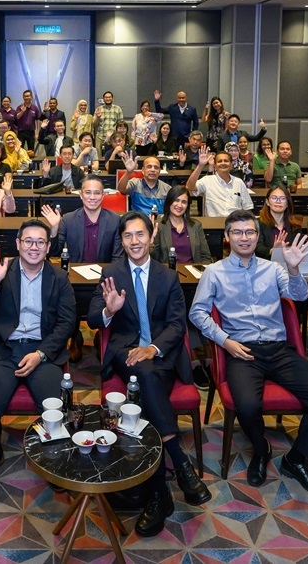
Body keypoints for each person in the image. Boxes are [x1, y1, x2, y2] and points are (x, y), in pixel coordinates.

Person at [190, 211, 308, 498]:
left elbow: (297, 297)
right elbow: (197, 313)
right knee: (245, 405)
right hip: (242, 350)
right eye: (237, 232)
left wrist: (294, 270)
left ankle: (295, 460)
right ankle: (261, 449)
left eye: (250, 232)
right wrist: (225, 341)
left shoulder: (274, 269)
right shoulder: (214, 272)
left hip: (279, 349)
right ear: (227, 237)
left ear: (258, 236)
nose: (244, 237)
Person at [88, 212, 211, 536]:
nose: (134, 241)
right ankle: (180, 464)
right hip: (124, 353)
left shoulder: (167, 276)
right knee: (141, 370)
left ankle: (159, 494)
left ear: (151, 237)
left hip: (161, 357)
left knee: (146, 378)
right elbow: (91, 318)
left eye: (139, 235)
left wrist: (153, 348)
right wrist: (108, 310)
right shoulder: (111, 273)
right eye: (128, 236)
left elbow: (176, 324)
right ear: (122, 240)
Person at [0, 221, 77, 489]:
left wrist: (41, 353)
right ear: (17, 244)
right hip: (5, 350)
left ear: (48, 247)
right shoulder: (3, 272)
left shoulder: (60, 278)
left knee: (56, 408)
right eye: (27, 241)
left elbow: (67, 323)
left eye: (40, 242)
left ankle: (54, 457)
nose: (34, 247)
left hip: (43, 350)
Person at [43, 174, 124, 361]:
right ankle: (74, 335)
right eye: (88, 192)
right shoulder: (68, 220)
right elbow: (53, 252)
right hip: (73, 280)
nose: (92, 197)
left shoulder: (115, 220)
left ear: (103, 196)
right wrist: (54, 229)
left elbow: (118, 257)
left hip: (104, 280)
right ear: (81, 195)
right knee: (63, 301)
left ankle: (101, 335)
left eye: (97, 193)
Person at [150, 185, 213, 389]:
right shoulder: (159, 224)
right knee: (184, 309)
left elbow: (205, 257)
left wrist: (201, 272)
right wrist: (151, 242)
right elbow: (153, 259)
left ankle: (208, 357)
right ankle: (195, 360)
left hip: (194, 280)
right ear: (169, 203)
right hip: (167, 282)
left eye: (184, 201)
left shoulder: (195, 226)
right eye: (176, 201)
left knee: (199, 306)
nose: (179, 205)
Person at [186, 146, 254, 217]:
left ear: (231, 165)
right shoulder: (207, 180)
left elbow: (248, 208)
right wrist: (201, 165)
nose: (223, 163)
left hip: (235, 224)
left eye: (226, 161)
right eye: (219, 161)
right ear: (215, 166)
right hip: (214, 224)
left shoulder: (239, 182)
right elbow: (189, 187)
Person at [255, 186, 307, 260]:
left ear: (287, 204)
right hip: (265, 265)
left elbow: (299, 248)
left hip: (289, 265)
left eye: (282, 198)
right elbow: (257, 248)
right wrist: (273, 251)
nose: (278, 201)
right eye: (274, 198)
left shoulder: (295, 226)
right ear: (267, 202)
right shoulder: (258, 224)